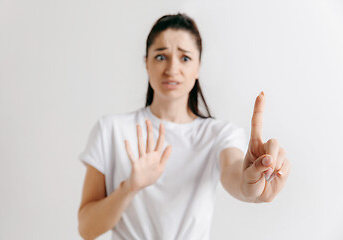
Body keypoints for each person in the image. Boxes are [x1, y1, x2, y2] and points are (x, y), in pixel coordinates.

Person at [77, 13, 291, 240]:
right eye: (161, 57)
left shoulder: (218, 135)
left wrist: (251, 182)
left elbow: (235, 173)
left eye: (185, 58)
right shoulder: (110, 130)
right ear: (146, 63)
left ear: (198, 66)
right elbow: (87, 229)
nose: (172, 68)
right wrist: (130, 187)